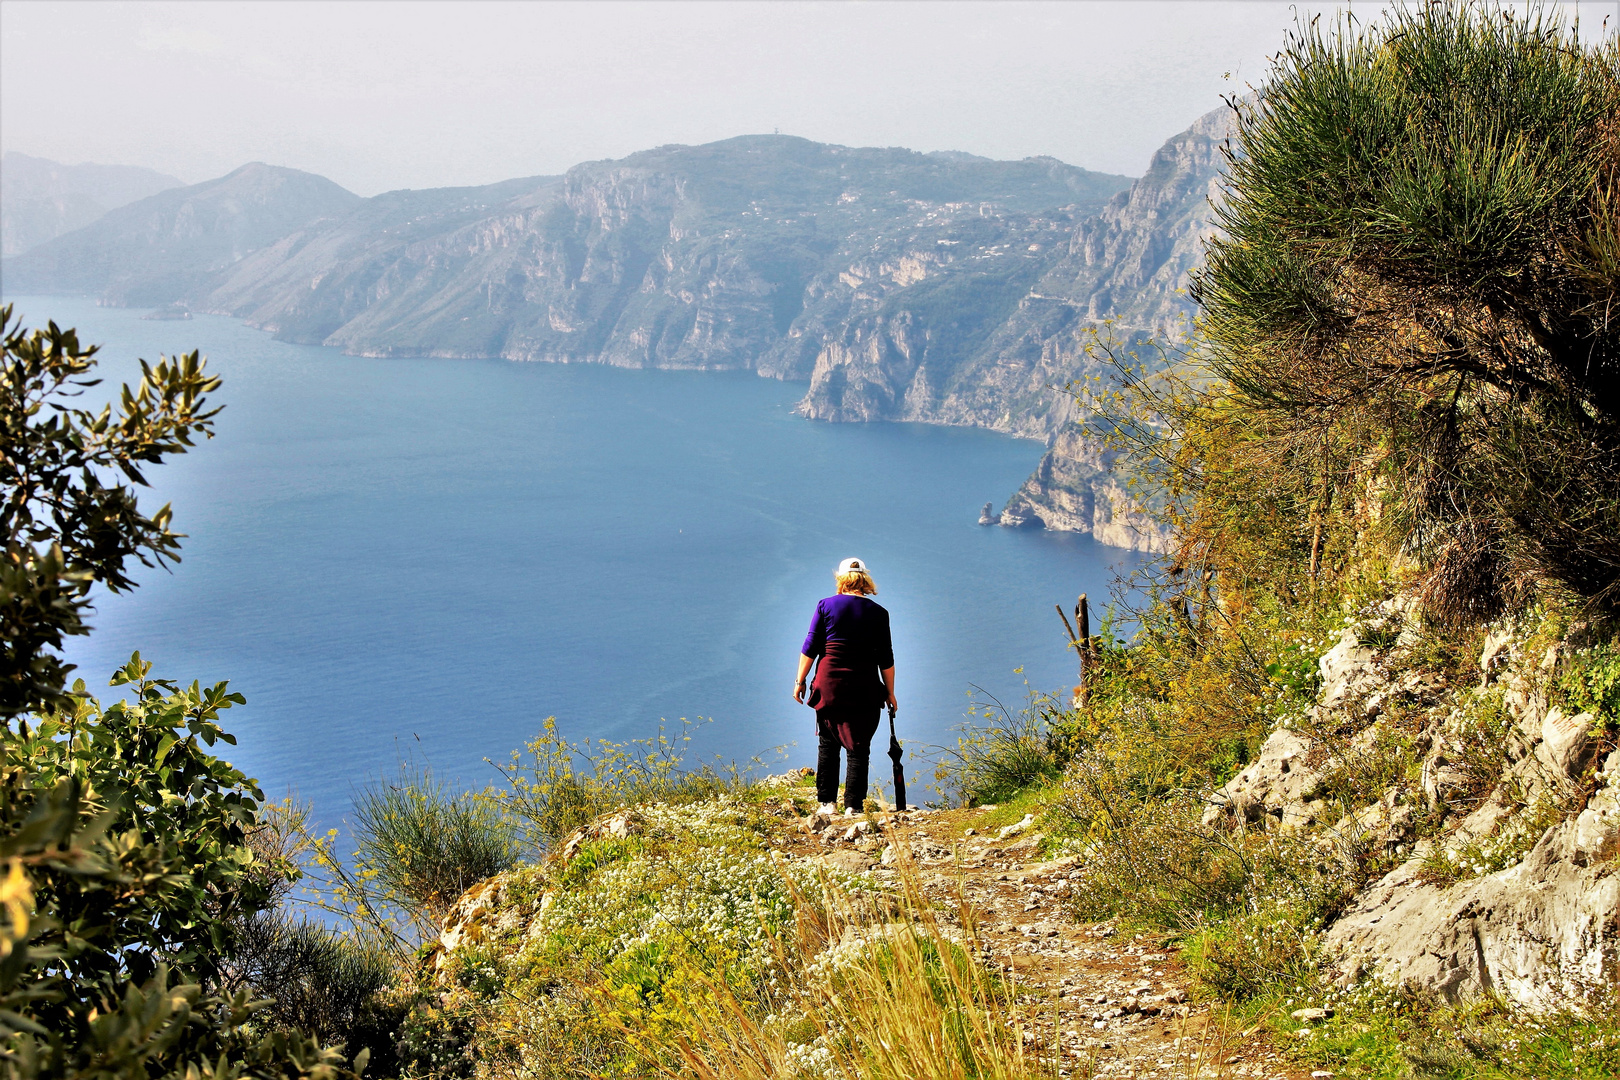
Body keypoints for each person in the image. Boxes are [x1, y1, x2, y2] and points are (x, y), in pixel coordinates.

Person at [794, 557, 896, 815]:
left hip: (829, 685)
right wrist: (890, 692)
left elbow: (810, 647)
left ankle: (827, 804)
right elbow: (886, 658)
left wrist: (800, 681)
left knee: (828, 743)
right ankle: (854, 805)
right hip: (864, 685)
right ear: (865, 580)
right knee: (859, 745)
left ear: (841, 580)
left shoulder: (825, 606)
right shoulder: (879, 613)